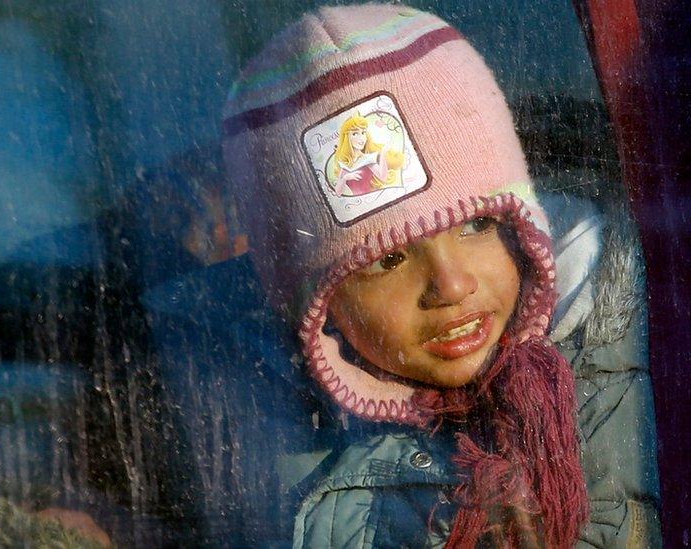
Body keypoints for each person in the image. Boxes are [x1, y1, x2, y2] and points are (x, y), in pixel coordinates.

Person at [221, 4, 659, 547]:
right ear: (322, 310)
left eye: (477, 223)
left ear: (524, 229)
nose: (451, 286)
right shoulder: (281, 449)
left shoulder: (647, 345)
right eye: (386, 260)